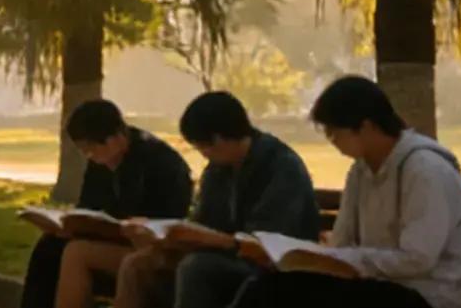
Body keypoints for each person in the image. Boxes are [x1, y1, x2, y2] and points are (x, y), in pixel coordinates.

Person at [233, 75, 461, 308]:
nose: (332, 141)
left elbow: (418, 259)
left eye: (334, 132)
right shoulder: (360, 171)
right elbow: (342, 241)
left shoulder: (425, 170)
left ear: (366, 127)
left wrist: (351, 258)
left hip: (427, 296)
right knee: (269, 288)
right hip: (377, 285)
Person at [114, 90, 322, 308]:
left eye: (203, 146)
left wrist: (211, 239)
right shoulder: (218, 169)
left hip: (272, 267)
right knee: (141, 264)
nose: (204, 154)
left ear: (220, 139)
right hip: (225, 256)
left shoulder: (280, 166)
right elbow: (203, 222)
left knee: (197, 268)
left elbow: (266, 244)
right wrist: (167, 237)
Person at [23, 98, 194, 308]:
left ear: (116, 137)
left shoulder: (161, 163)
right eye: (85, 151)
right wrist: (68, 226)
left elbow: (167, 222)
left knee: (77, 253)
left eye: (91, 149)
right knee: (50, 246)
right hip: (114, 238)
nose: (91, 156)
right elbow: (88, 208)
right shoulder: (101, 162)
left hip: (148, 247)